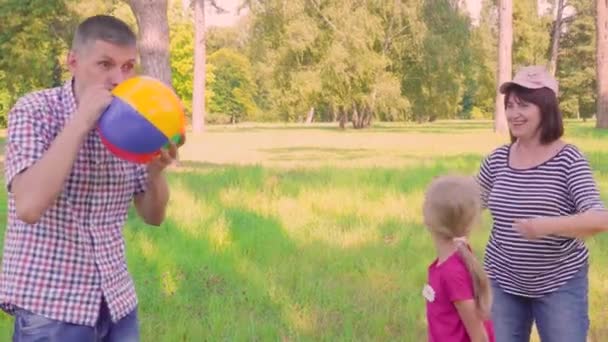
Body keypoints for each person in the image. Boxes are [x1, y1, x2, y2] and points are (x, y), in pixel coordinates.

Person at [0, 15, 179, 341]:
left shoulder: (130, 124)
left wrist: (155, 172)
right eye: (105, 64)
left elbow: (153, 216)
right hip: (51, 309)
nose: (117, 78)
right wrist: (81, 121)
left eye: (128, 67)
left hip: (117, 302)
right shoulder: (35, 111)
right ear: (73, 62)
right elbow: (28, 205)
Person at [476, 65, 606, 341]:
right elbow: (469, 203)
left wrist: (545, 226)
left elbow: (599, 218)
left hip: (560, 283)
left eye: (523, 105)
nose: (513, 114)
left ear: (546, 108)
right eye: (510, 105)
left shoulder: (568, 160)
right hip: (502, 281)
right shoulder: (498, 159)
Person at [422, 175, 495, 342]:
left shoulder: (452, 273)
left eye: (426, 202)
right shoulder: (456, 253)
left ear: (431, 219)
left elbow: (480, 336)